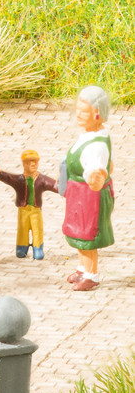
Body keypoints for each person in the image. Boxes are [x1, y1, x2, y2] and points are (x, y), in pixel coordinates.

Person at [62, 86, 114, 292]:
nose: (78, 114)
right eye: (77, 109)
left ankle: (91, 275)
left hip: (90, 197)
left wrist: (95, 176)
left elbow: (99, 170)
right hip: (79, 194)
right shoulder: (89, 135)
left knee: (88, 235)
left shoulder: (97, 145)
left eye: (83, 111)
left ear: (97, 113)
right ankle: (82, 269)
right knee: (78, 234)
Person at [0, 150, 57, 260]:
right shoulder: (19, 180)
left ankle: (38, 248)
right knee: (22, 229)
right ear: (24, 164)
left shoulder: (42, 180)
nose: (33, 164)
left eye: (35, 161)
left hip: (35, 211)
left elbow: (55, 186)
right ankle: (21, 247)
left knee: (37, 230)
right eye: (30, 161)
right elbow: (0, 175)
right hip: (23, 210)